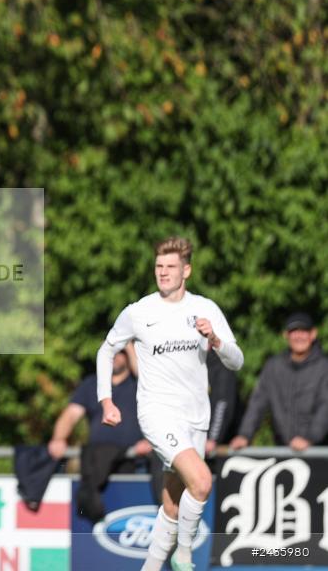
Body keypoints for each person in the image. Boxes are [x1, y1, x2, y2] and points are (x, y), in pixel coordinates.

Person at [96, 237, 243, 571]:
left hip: (196, 417)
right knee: (202, 482)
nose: (163, 272)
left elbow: (237, 361)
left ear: (186, 270)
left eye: (170, 267)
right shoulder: (139, 311)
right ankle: (185, 554)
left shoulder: (205, 309)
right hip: (157, 413)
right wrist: (106, 400)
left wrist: (216, 341)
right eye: (159, 266)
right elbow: (106, 349)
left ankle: (151, 566)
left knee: (175, 503)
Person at [48, 350, 152, 521]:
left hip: (135, 461)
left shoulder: (141, 383)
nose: (115, 356)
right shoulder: (91, 384)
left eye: (121, 352)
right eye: (111, 351)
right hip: (98, 464)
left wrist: (129, 342)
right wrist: (58, 439)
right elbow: (71, 415)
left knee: (131, 516)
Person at [230, 312, 328, 451]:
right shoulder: (274, 367)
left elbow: (325, 408)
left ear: (313, 334)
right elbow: (257, 404)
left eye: (304, 331)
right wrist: (245, 435)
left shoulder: (324, 367)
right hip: (283, 450)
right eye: (294, 331)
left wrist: (310, 438)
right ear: (285, 335)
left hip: (319, 452)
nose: (299, 336)